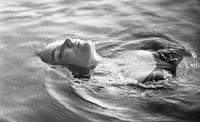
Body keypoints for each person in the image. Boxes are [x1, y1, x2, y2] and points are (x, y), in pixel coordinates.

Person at [38, 37, 189, 84]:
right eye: (60, 52)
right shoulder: (117, 84)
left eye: (63, 40)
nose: (68, 41)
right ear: (71, 70)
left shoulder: (122, 55)